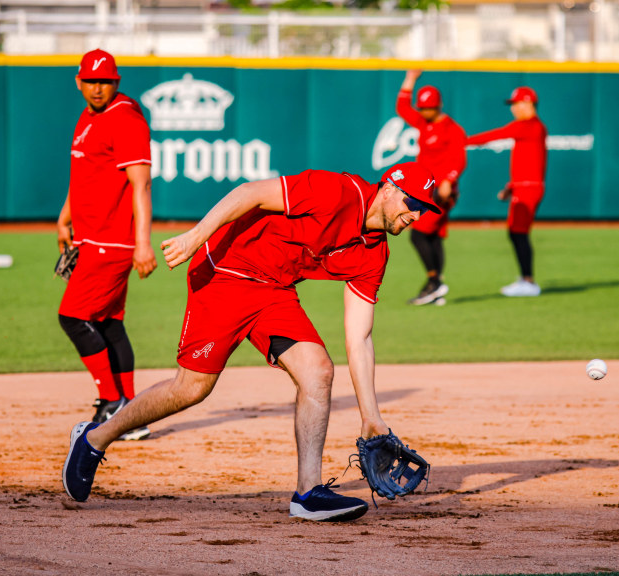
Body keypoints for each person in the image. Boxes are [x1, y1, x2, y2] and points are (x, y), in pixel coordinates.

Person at [62, 161, 441, 522]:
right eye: (413, 203)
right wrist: (197, 236)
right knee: (192, 388)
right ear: (389, 187)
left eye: (424, 210)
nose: (417, 215)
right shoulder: (337, 192)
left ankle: (308, 494)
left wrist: (371, 417)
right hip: (224, 272)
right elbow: (251, 193)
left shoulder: (373, 254)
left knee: (318, 371)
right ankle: (95, 439)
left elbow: (359, 336)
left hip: (274, 290)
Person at [56, 49, 157, 440]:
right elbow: (83, 173)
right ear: (79, 82)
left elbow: (141, 184)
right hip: (90, 235)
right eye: (91, 81)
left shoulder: (125, 119)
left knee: (74, 317)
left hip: (111, 241)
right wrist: (66, 216)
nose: (98, 88)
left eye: (106, 81)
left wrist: (142, 243)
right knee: (108, 322)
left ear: (116, 82)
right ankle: (130, 411)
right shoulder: (88, 116)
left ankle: (113, 401)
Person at [465, 86, 548, 297]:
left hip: (529, 189)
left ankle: (528, 282)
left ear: (528, 103)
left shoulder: (529, 126)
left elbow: (495, 135)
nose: (513, 109)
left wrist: (462, 142)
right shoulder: (532, 128)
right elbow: (529, 163)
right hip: (524, 186)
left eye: (516, 104)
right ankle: (525, 279)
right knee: (515, 232)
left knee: (518, 233)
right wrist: (510, 188)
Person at [396, 70, 468, 306]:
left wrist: (449, 180)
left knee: (418, 235)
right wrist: (410, 80)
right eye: (422, 108)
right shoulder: (423, 122)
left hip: (442, 191)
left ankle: (433, 282)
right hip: (427, 188)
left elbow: (460, 159)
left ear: (439, 106)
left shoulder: (452, 129)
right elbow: (402, 108)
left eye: (429, 108)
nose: (425, 112)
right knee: (433, 237)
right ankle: (436, 285)